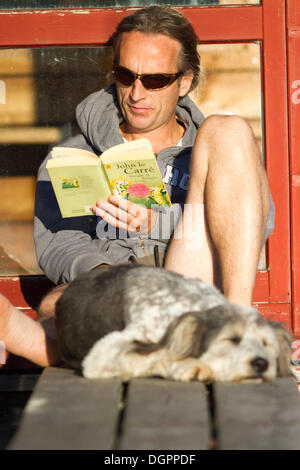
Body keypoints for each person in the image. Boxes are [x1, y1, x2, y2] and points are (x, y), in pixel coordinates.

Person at [0, 5, 274, 367]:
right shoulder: (72, 155)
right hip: (117, 281)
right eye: (126, 75)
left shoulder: (213, 149)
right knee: (58, 303)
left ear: (184, 82)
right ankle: (52, 342)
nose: (136, 93)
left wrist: (157, 223)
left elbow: (256, 226)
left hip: (196, 276)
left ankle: (239, 327)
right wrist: (102, 276)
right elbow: (59, 241)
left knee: (230, 128)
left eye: (156, 80)